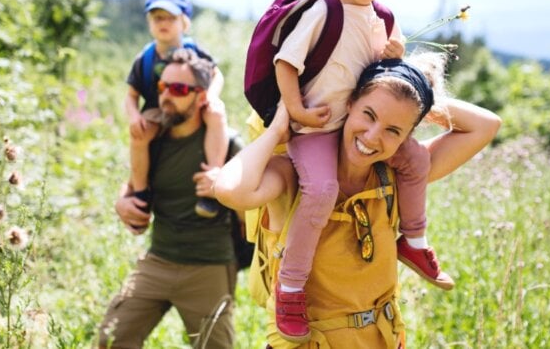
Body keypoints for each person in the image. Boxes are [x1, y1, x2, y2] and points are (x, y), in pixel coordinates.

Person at [215, 53, 502, 347]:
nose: (373, 136)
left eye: (393, 130)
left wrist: (409, 93)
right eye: (369, 114)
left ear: (406, 136)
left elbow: (486, 125)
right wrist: (277, 129)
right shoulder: (294, 176)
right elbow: (229, 190)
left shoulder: (395, 175)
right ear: (348, 104)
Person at [262, 0, 449, 342]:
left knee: (416, 160)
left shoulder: (381, 16)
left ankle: (414, 241)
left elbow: (389, 65)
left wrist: (395, 55)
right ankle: (291, 287)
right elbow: (285, 63)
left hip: (358, 127)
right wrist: (297, 112)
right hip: (316, 129)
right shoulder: (323, 11)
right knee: (322, 190)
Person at [100, 49, 239, 349]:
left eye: (178, 89)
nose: (165, 97)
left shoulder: (227, 142)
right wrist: (121, 202)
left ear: (201, 96)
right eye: (163, 87)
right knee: (111, 338)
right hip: (159, 260)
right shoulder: (153, 138)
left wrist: (226, 186)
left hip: (209, 266)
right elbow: (132, 185)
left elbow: (254, 206)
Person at [125, 0, 228, 220]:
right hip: (158, 109)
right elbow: (131, 95)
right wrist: (134, 116)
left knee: (216, 113)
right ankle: (141, 193)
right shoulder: (145, 58)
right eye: (157, 18)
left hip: (193, 104)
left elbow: (216, 74)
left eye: (170, 18)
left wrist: (211, 95)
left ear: (184, 23)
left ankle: (211, 181)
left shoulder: (195, 51)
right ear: (149, 23)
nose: (163, 23)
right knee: (139, 136)